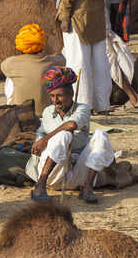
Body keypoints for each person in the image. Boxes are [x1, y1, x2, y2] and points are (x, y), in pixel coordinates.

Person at [27, 67, 116, 204]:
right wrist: (39, 142)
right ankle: (40, 185)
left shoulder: (83, 109)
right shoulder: (47, 112)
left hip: (78, 175)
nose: (55, 100)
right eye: (52, 96)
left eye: (59, 96)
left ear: (71, 94)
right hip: (55, 176)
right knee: (63, 136)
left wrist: (46, 139)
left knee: (100, 134)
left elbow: (72, 125)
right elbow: (41, 133)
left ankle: (87, 188)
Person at [1, 23, 66, 111]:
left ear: (20, 46)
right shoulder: (54, 61)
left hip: (19, 113)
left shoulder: (10, 63)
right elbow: (62, 59)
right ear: (42, 45)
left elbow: (3, 66)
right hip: (46, 112)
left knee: (10, 78)